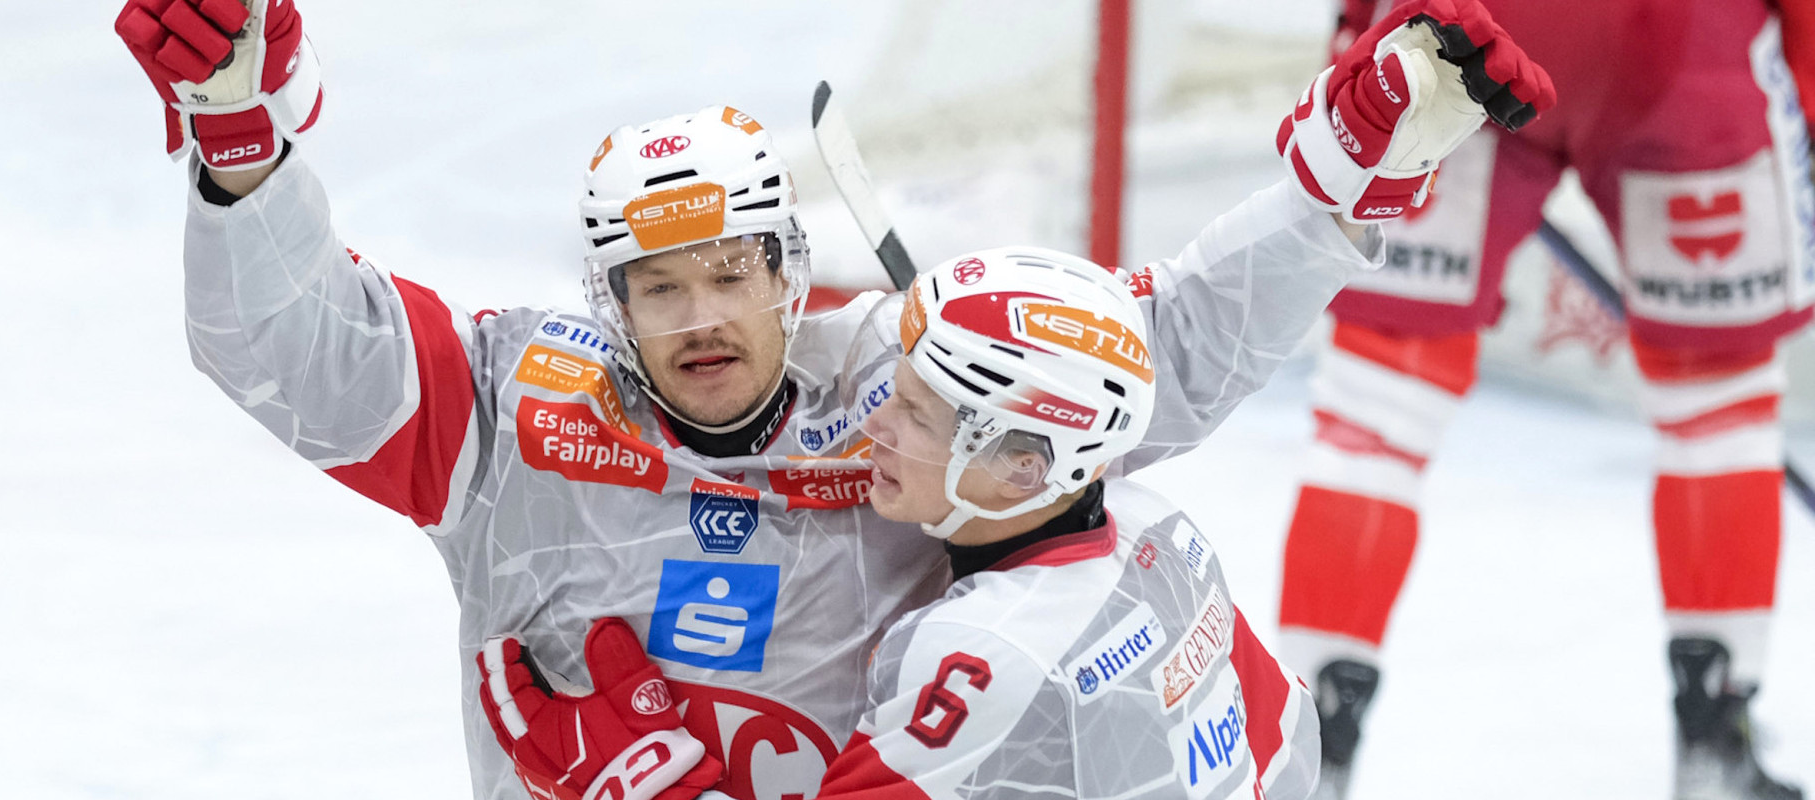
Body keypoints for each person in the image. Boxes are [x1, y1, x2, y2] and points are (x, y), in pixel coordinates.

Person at [464, 6, 1555, 798]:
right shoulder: (1154, 534)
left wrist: (643, 785)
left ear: (1025, 464)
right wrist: (1327, 190)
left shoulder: (979, 656)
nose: (869, 425)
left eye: (920, 415)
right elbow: (1139, 351)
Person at [1273, 1, 1814, 799]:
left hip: (1461, 25)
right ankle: (1714, 748)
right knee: (1717, 405)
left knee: (1375, 412)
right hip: (1684, 35)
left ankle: (1311, 758)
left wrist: (1361, 25)